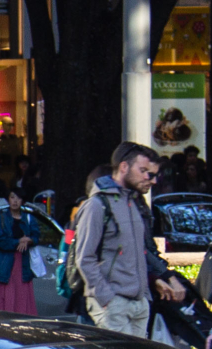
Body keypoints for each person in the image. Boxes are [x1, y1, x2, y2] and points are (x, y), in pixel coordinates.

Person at [72, 142, 182, 337]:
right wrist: (107, 299)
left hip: (137, 303)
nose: (152, 180)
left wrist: (146, 293)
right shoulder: (97, 205)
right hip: (114, 303)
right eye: (145, 171)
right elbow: (84, 258)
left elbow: (141, 251)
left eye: (154, 174)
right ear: (124, 167)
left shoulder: (132, 202)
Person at [0, 186, 40, 314]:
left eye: (18, 198)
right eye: (12, 197)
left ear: (23, 201)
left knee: (23, 295)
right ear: (8, 200)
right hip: (7, 263)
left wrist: (28, 240)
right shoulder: (1, 218)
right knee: (8, 295)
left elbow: (36, 236)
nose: (15, 201)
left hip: (24, 263)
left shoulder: (28, 218)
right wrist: (18, 242)